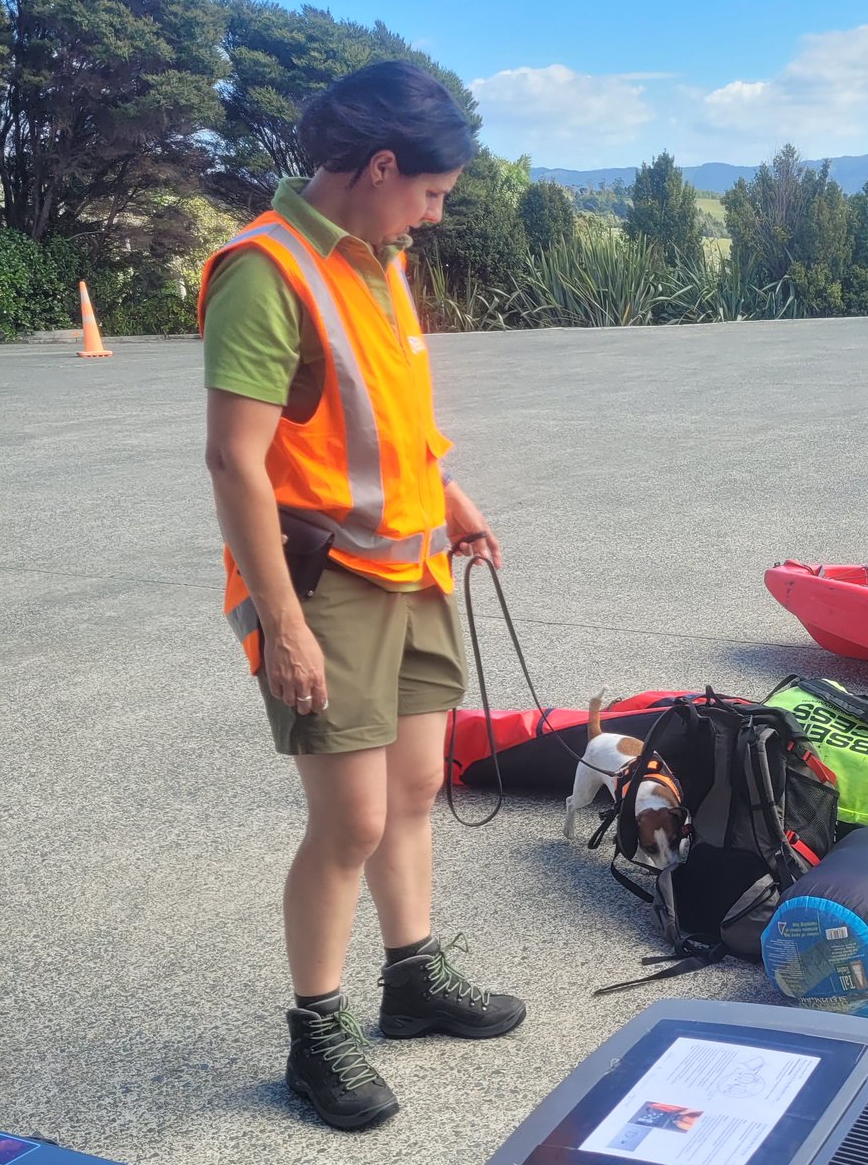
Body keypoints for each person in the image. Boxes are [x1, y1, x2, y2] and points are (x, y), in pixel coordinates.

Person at [201, 61, 525, 1132]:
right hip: (322, 585)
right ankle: (316, 1032)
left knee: (417, 790)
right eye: (430, 194)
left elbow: (388, 414)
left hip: (416, 566)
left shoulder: (380, 261)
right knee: (348, 822)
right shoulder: (267, 269)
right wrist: (282, 626)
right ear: (381, 166)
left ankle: (414, 980)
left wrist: (456, 497)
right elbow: (236, 462)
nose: (433, 217)